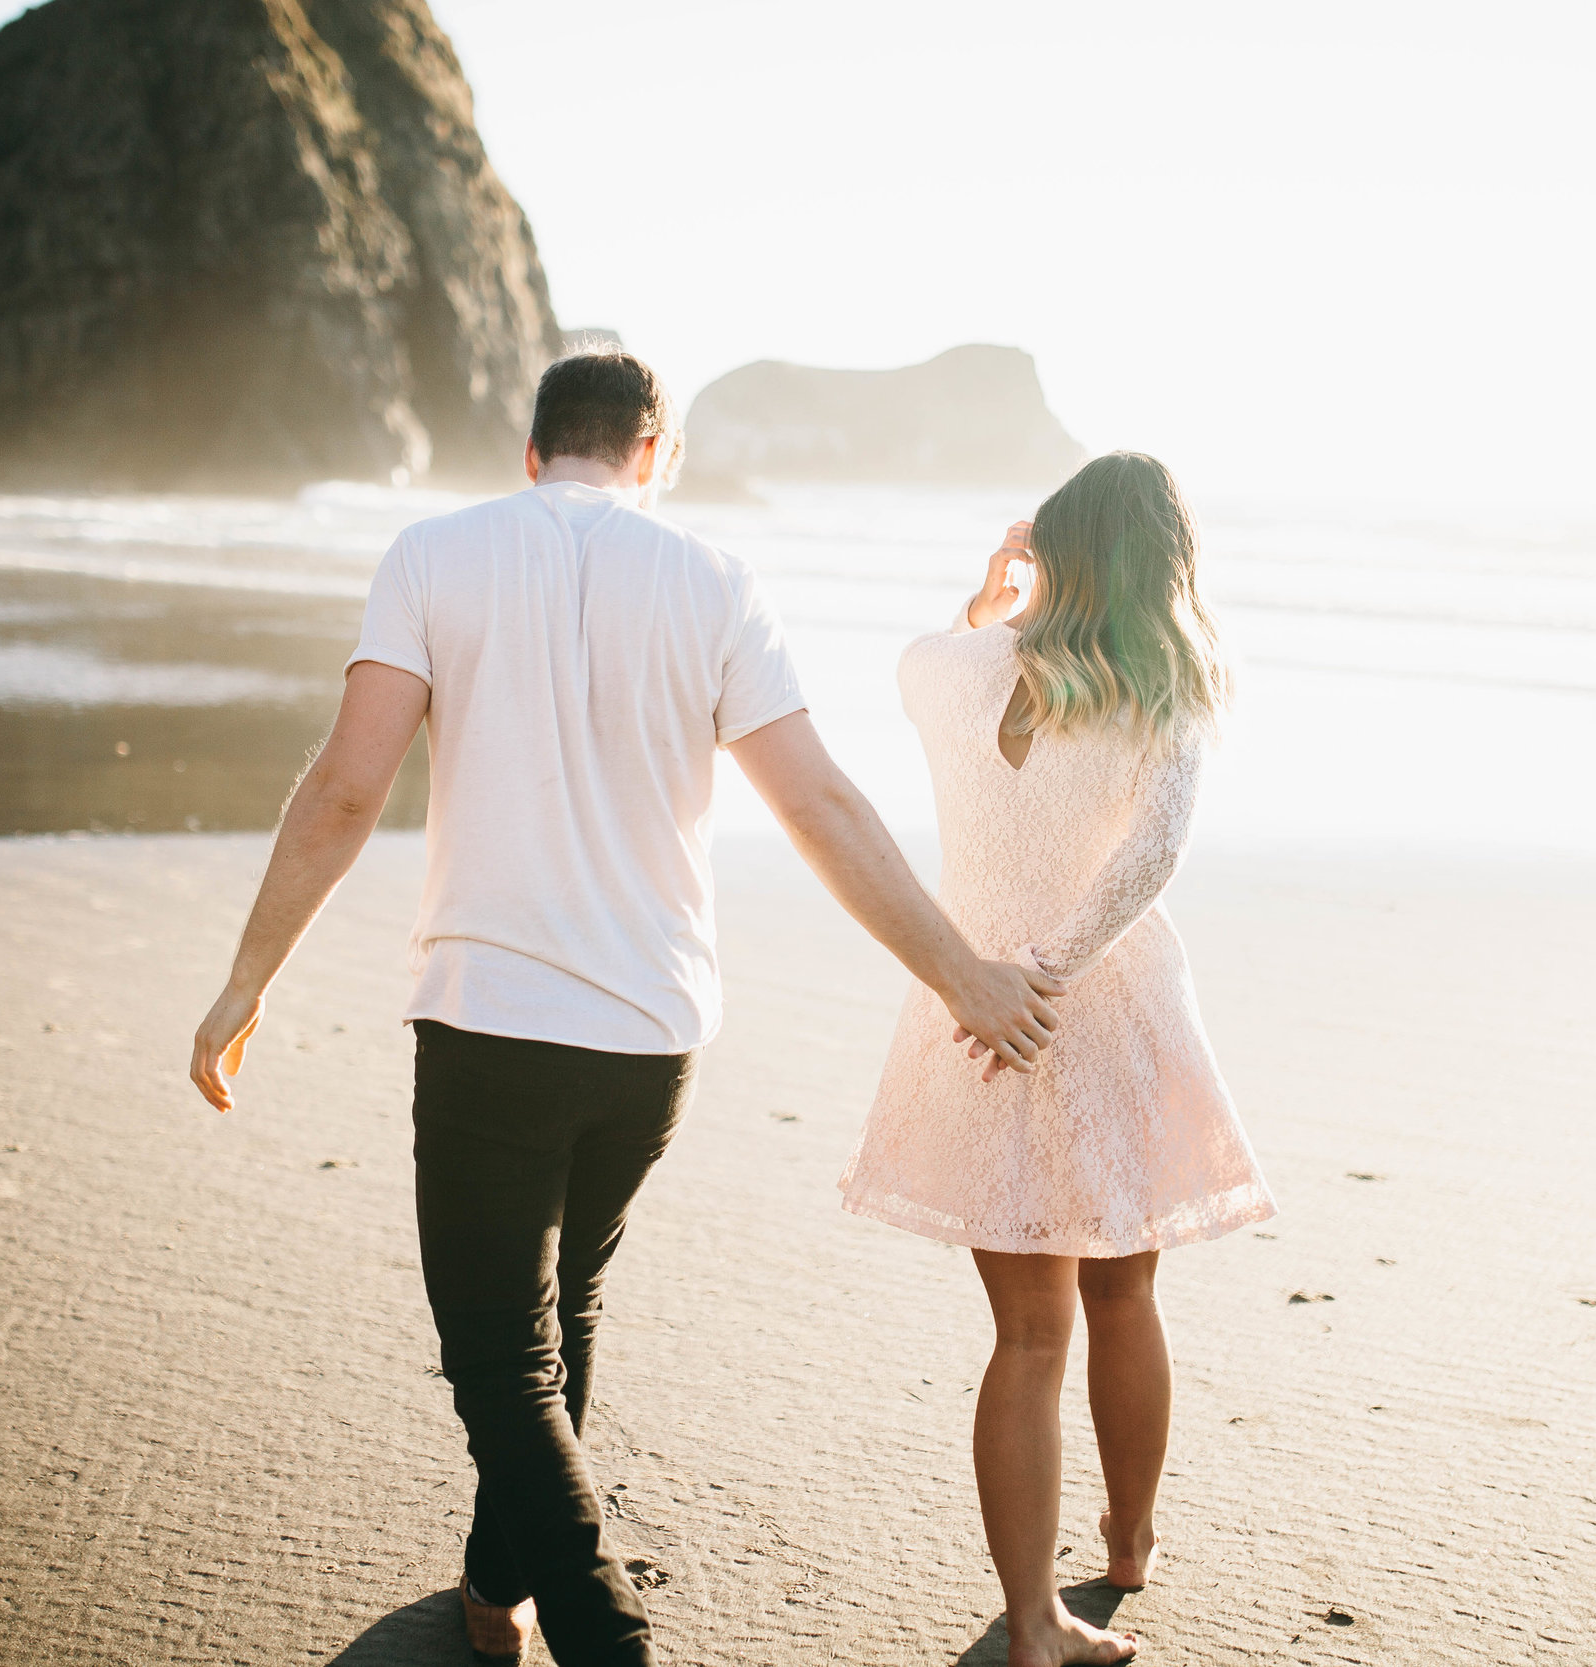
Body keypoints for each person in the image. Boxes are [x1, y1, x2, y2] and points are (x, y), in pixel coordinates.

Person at [187, 348, 1066, 1667]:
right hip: (653, 1037)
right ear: (654, 456)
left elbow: (346, 789)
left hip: (491, 1022)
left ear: (533, 453)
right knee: (556, 1316)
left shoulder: (435, 553)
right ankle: (497, 1587)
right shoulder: (716, 581)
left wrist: (248, 975)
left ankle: (614, 1642)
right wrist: (964, 973)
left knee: (502, 1362)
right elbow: (820, 804)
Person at [838, 453, 1277, 1667]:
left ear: (1052, 548)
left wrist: (987, 601)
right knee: (1122, 1291)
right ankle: (1127, 1545)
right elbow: (1152, 855)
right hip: (1101, 1005)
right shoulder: (1170, 680)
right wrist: (1059, 965)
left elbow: (918, 654)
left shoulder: (949, 671)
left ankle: (1032, 1621)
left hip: (975, 1003)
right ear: (1163, 563)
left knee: (1026, 1334)